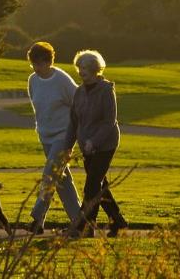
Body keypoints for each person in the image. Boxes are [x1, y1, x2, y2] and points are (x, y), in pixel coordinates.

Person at [64, 49, 128, 238]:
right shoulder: (79, 92)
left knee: (91, 185)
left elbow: (109, 121)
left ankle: (83, 226)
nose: (81, 71)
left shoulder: (106, 90)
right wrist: (68, 147)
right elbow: (74, 122)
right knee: (99, 186)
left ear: (94, 69)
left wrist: (95, 141)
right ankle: (118, 221)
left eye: (85, 68)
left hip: (105, 144)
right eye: (79, 67)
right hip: (87, 146)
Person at [25, 42, 82, 234]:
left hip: (64, 135)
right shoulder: (33, 80)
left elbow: (78, 104)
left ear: (49, 62)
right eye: (33, 64)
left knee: (50, 175)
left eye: (39, 64)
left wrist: (74, 134)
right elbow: (37, 107)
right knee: (62, 181)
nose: (36, 68)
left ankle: (36, 215)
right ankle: (80, 223)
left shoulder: (62, 80)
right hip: (45, 136)